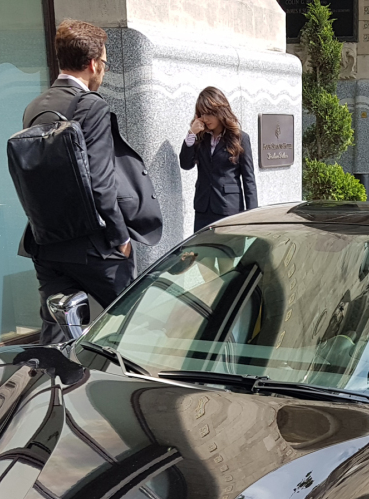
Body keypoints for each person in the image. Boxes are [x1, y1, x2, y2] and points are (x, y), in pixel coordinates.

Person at [19, 19, 162, 344]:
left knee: (58, 332)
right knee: (128, 331)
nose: (103, 71)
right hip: (94, 245)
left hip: (47, 243)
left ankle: (56, 388)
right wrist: (119, 237)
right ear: (93, 63)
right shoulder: (89, 105)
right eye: (105, 63)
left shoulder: (35, 106)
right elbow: (100, 179)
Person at [179, 87, 258, 233]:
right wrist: (191, 134)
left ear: (220, 111)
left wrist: (252, 215)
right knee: (203, 253)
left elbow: (249, 180)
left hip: (228, 208)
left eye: (209, 113)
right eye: (202, 114)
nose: (206, 118)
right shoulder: (200, 137)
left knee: (228, 254)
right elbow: (185, 164)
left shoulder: (240, 138)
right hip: (203, 208)